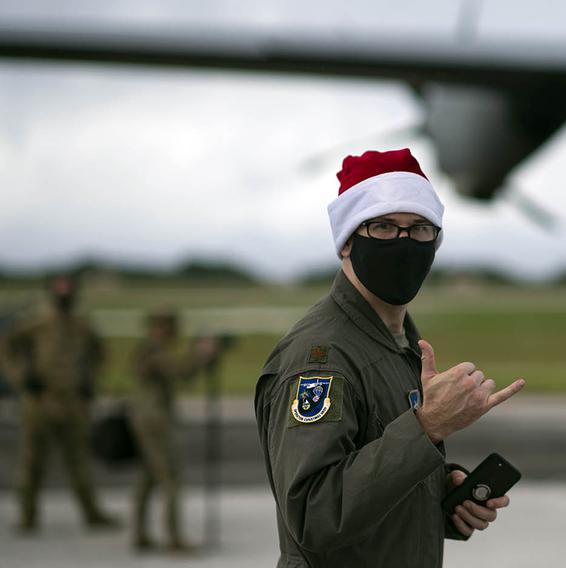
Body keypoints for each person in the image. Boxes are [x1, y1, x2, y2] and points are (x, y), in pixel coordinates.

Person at [254, 148, 526, 567]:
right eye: (383, 227)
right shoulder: (321, 359)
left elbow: (369, 476)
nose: (404, 242)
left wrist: (441, 496)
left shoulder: (397, 344)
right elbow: (313, 516)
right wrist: (426, 427)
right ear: (346, 242)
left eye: (420, 229)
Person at [0, 273, 119, 533]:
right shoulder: (36, 321)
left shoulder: (82, 323)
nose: (64, 293)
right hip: (40, 402)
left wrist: (91, 381)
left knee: (80, 461)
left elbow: (101, 353)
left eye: (68, 288)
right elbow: (7, 346)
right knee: (32, 463)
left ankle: (92, 513)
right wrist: (21, 377)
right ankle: (28, 517)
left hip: (73, 402)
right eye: (59, 288)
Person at [130, 309, 218, 552]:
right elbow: (181, 371)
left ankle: (140, 533)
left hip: (148, 417)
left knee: (149, 476)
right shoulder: (155, 353)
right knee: (170, 477)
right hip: (154, 419)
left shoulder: (149, 350)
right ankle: (174, 539)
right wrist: (201, 354)